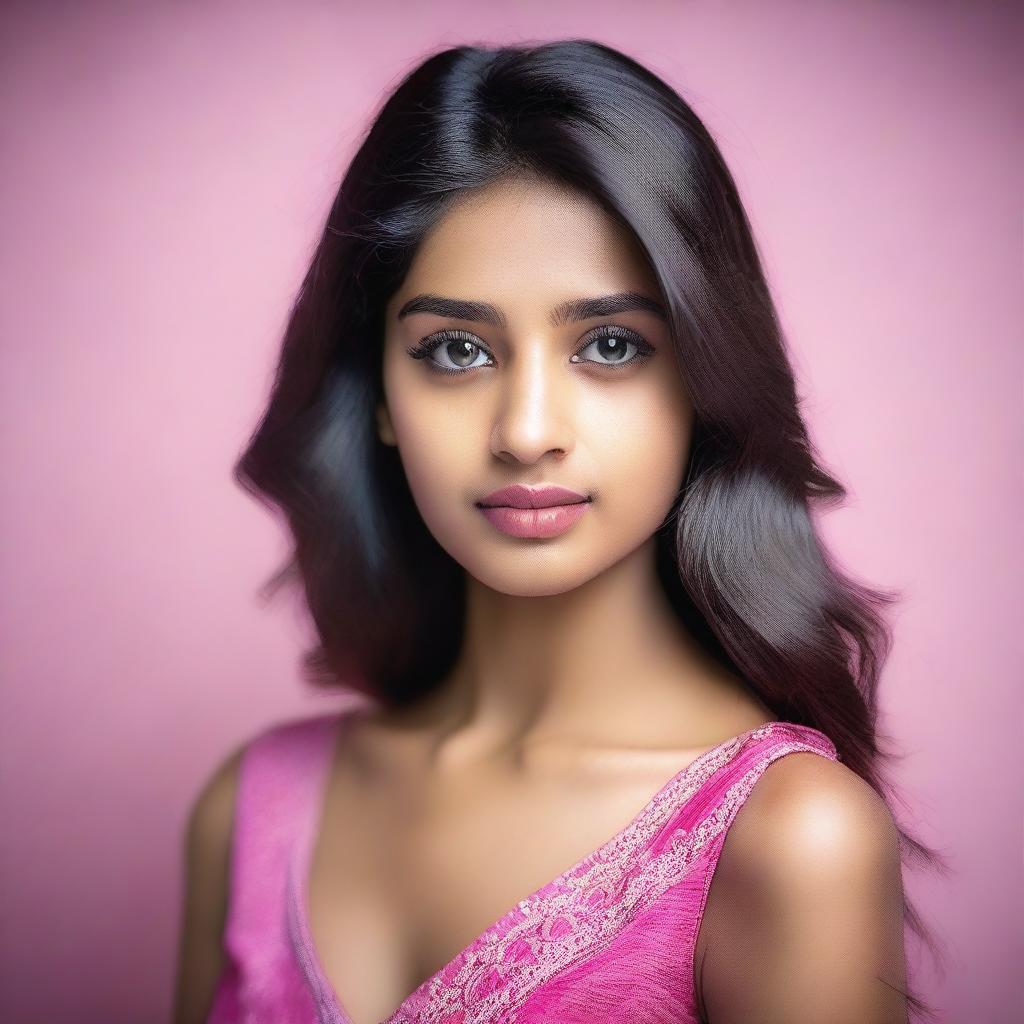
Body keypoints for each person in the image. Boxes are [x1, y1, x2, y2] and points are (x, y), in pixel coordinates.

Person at [172, 39, 943, 1024]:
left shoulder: (787, 839)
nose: (527, 431)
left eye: (610, 345)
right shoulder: (252, 807)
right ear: (377, 395)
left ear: (702, 379)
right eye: (455, 351)